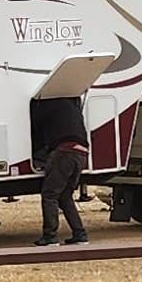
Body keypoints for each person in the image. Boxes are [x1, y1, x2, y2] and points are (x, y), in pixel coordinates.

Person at [30, 90, 90, 245]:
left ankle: (50, 237)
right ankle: (80, 234)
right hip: (82, 153)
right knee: (65, 195)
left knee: (50, 195)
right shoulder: (70, 105)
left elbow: (37, 129)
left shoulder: (45, 104)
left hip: (64, 152)